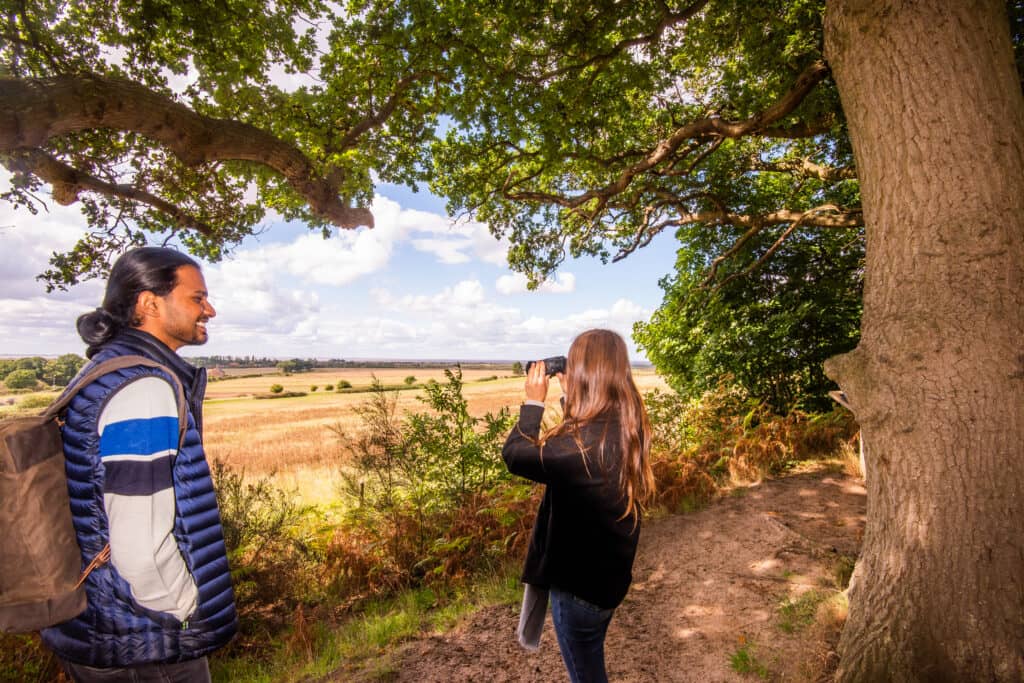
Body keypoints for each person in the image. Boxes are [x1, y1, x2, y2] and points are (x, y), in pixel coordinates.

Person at [41, 247, 237, 682]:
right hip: (145, 638)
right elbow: (139, 539)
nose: (210, 310)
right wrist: (182, 609)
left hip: (105, 624)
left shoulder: (107, 369)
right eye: (197, 298)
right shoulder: (144, 389)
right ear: (149, 303)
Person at [503, 329, 655, 683]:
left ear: (586, 374)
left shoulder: (579, 448)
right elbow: (585, 431)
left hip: (579, 591)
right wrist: (573, 396)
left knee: (586, 674)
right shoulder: (630, 425)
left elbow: (516, 455)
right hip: (609, 580)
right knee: (591, 653)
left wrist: (533, 403)